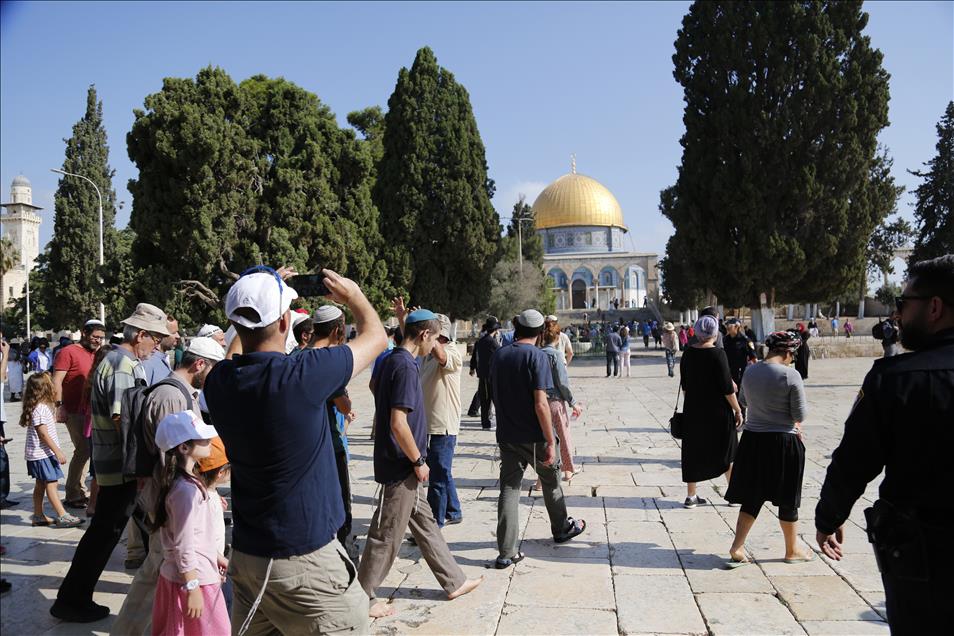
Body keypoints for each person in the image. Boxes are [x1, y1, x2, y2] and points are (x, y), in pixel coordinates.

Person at [203, 266, 383, 635]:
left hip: (250, 556)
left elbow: (232, 355)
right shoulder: (301, 375)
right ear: (285, 321)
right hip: (305, 560)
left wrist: (257, 294)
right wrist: (353, 296)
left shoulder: (220, 383)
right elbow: (376, 337)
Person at [815, 255, 954, 634]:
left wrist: (829, 518)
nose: (898, 315)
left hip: (923, 558)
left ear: (935, 308)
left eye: (904, 304)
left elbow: (853, 463)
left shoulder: (895, 379)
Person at [359, 308, 482, 618]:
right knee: (386, 535)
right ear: (425, 335)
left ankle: (454, 581)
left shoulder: (392, 359)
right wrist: (417, 459)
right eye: (435, 337)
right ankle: (361, 598)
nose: (435, 344)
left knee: (426, 526)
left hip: (403, 462)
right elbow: (398, 422)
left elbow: (378, 393)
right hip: (401, 464)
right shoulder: (404, 366)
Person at [51, 302, 171, 623]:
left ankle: (75, 596)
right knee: (105, 531)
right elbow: (124, 419)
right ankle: (72, 598)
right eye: (155, 340)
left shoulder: (119, 360)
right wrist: (143, 464)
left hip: (118, 464)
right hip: (121, 466)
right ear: (141, 335)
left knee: (123, 529)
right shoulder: (122, 365)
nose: (156, 346)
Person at [111, 337, 224, 636]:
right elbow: (169, 457)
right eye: (212, 369)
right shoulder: (171, 397)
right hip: (171, 500)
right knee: (158, 569)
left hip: (175, 496)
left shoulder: (180, 392)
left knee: (160, 569)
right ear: (200, 364)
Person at [491, 309, 586, 569]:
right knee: (551, 480)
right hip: (534, 435)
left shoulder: (499, 355)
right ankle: (561, 527)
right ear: (541, 332)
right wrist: (549, 440)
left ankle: (507, 551)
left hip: (507, 434)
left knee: (509, 489)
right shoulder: (536, 356)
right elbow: (541, 404)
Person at [725, 331, 813, 566]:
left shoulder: (751, 371)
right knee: (788, 498)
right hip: (784, 442)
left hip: (753, 440)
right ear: (787, 352)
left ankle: (737, 546)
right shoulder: (790, 376)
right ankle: (792, 549)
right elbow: (799, 415)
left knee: (753, 496)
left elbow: (743, 400)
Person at [151, 411, 230, 636]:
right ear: (184, 448)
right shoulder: (186, 491)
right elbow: (184, 544)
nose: (209, 441)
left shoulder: (183, 483)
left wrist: (217, 558)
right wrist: (192, 587)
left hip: (188, 575)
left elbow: (196, 536)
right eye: (202, 438)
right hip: (195, 580)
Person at [308, 304, 358, 559]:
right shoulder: (329, 363)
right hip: (331, 445)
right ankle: (345, 557)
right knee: (341, 507)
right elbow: (344, 405)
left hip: (306, 447)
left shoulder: (297, 357)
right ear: (338, 330)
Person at [679, 315, 742, 508]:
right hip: (718, 413)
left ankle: (691, 497)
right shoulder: (718, 354)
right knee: (728, 451)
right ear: (715, 332)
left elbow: (685, 386)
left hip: (694, 410)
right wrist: (738, 410)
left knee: (693, 451)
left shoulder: (688, 353)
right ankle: (733, 494)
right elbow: (727, 388)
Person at [52, 318, 106, 509]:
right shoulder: (68, 352)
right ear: (84, 333)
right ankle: (73, 493)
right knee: (83, 449)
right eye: (94, 336)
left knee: (87, 451)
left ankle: (78, 489)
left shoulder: (97, 353)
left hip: (90, 411)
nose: (97, 341)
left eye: (101, 338)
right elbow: (57, 380)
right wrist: (59, 406)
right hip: (73, 409)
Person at [20, 372, 85, 528]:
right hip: (43, 454)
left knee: (41, 484)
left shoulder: (37, 407)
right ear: (46, 388)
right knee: (52, 483)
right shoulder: (41, 409)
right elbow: (43, 434)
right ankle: (62, 515)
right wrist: (57, 451)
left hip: (37, 454)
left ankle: (38, 515)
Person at [421, 314, 464, 527]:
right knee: (441, 469)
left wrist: (431, 334)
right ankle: (454, 511)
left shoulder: (451, 352)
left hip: (443, 425)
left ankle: (433, 523)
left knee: (437, 475)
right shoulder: (425, 354)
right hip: (428, 423)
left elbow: (442, 356)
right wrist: (405, 320)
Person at [539, 321, 583, 482]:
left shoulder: (536, 353)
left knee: (545, 439)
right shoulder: (556, 355)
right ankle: (568, 470)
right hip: (555, 401)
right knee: (563, 436)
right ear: (557, 337)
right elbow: (562, 382)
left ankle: (541, 478)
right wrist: (573, 402)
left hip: (539, 401)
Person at [475, 317, 501, 430]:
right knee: (491, 399)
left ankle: (486, 422)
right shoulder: (492, 342)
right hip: (489, 375)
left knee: (486, 400)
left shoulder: (481, 340)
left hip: (483, 374)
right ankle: (491, 422)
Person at [142, 317, 180, 386]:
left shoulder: (162, 359)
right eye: (174, 332)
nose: (178, 336)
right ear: (161, 334)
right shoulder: (148, 362)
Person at [723, 318, 756, 389]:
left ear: (737, 327)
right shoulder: (725, 339)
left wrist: (757, 373)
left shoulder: (745, 340)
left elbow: (753, 357)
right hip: (728, 371)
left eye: (729, 326)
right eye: (727, 325)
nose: (727, 327)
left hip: (740, 372)